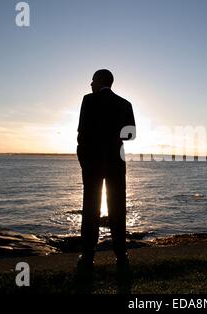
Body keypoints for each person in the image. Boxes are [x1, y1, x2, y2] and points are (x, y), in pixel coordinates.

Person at [76, 69, 136, 272]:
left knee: (91, 208)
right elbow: (130, 135)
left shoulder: (88, 101)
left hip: (92, 164)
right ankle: (121, 256)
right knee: (118, 207)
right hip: (116, 163)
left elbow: (81, 133)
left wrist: (83, 159)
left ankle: (87, 257)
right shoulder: (125, 104)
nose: (90, 84)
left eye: (92, 80)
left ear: (100, 81)